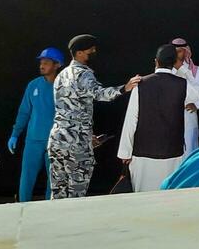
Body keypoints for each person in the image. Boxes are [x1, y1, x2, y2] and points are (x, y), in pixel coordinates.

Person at [46, 34, 139, 199]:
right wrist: (125, 88)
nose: (94, 52)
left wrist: (88, 135)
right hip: (76, 144)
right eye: (91, 49)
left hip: (57, 140)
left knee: (58, 193)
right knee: (76, 194)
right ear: (80, 53)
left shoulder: (62, 74)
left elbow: (69, 110)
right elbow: (99, 94)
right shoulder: (83, 74)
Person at [119, 44, 192, 191]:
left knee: (143, 197)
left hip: (143, 153)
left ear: (156, 61)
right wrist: (182, 69)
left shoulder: (141, 84)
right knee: (170, 197)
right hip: (172, 151)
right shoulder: (183, 84)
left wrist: (125, 152)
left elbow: (131, 119)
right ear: (174, 63)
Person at [8, 47, 64, 202]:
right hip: (33, 140)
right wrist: (15, 134)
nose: (42, 65)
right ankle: (22, 206)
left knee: (53, 179)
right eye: (41, 62)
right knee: (27, 176)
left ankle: (48, 209)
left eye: (46, 62)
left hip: (55, 141)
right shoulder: (33, 85)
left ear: (57, 65)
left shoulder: (64, 87)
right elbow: (24, 112)